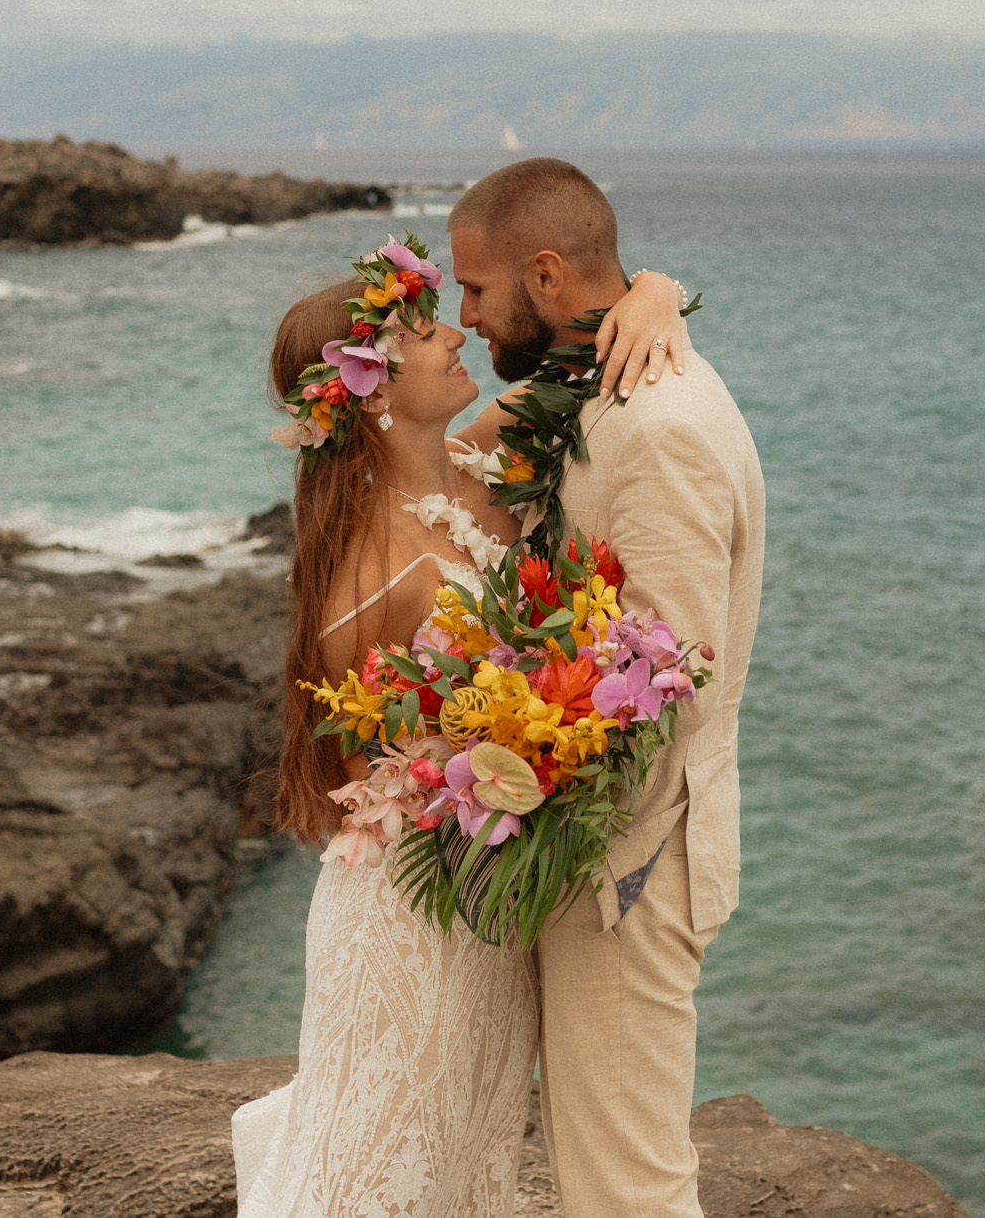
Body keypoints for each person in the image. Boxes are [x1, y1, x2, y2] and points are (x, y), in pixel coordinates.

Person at [231, 245, 690, 1218]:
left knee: (465, 1156)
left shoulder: (474, 467)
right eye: (419, 332)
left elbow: (582, 352)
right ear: (369, 395)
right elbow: (376, 768)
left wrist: (656, 293)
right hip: (410, 912)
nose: (452, 335)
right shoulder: (368, 573)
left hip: (477, 900)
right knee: (385, 1168)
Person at [448, 157, 766, 1218]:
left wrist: (578, 855)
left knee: (625, 1191)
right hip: (587, 863)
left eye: (476, 291)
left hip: (624, 870)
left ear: (543, 275)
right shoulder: (595, 377)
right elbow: (447, 444)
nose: (465, 318)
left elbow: (670, 681)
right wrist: (653, 286)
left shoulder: (662, 424)